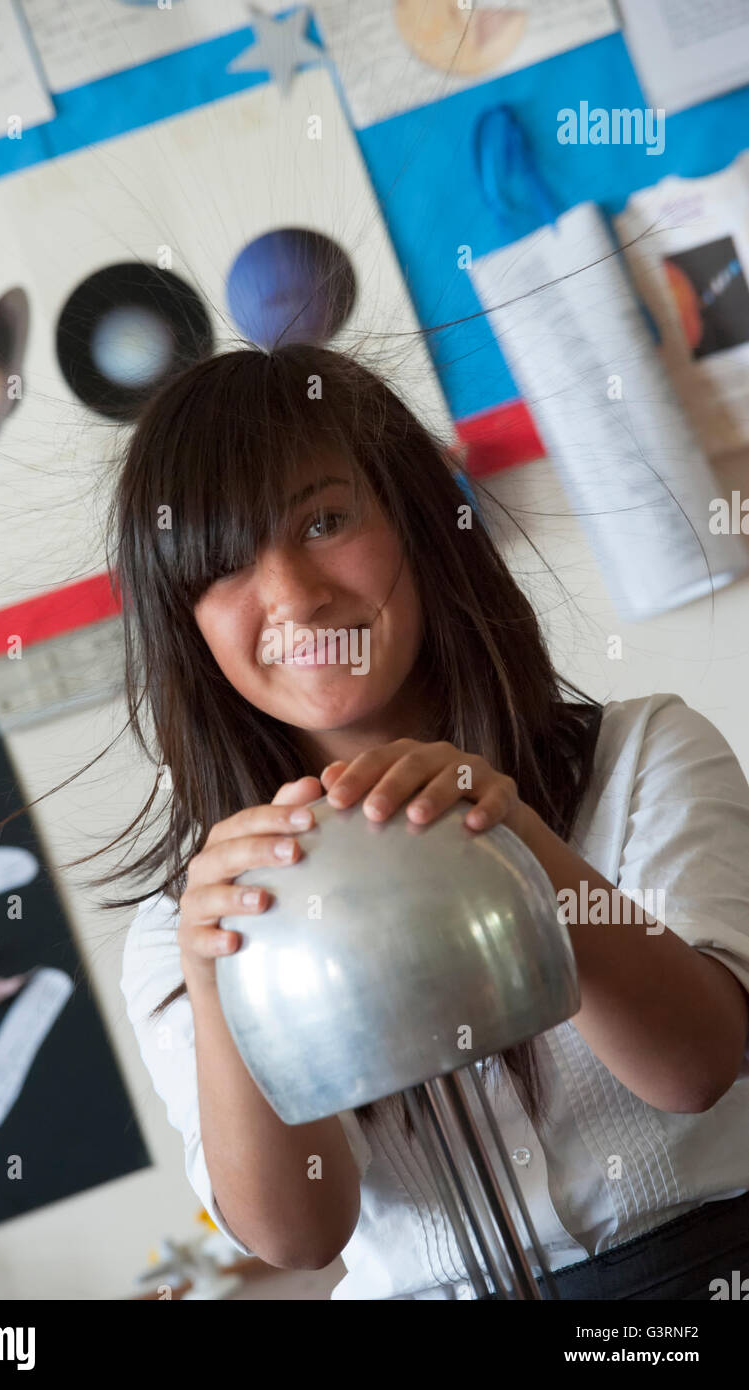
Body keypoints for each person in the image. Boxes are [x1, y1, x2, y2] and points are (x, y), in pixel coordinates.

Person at [110, 342, 749, 1300]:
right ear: (187, 625)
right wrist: (218, 980)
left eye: (324, 521)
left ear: (421, 522)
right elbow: (299, 1234)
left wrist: (520, 838)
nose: (291, 594)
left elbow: (696, 1067)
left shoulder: (644, 755)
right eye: (225, 565)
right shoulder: (186, 926)